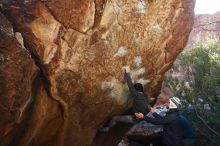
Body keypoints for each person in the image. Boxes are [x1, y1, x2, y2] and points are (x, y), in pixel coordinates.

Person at [99, 66, 149, 132]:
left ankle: (107, 129)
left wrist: (127, 72)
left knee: (115, 118)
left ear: (136, 91)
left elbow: (130, 85)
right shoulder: (144, 95)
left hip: (135, 119)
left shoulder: (136, 95)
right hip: (141, 116)